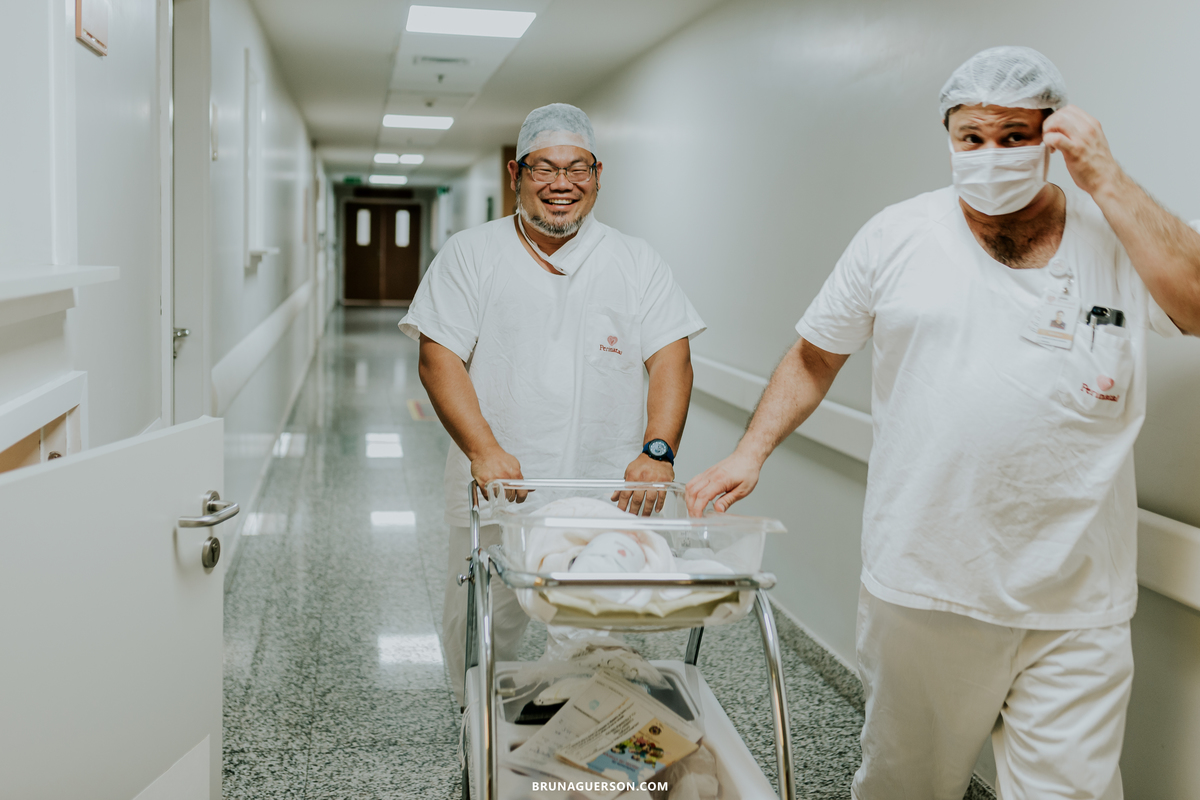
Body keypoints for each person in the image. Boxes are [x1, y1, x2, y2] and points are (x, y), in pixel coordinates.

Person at [686, 46, 1199, 800]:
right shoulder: (898, 235)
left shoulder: (1114, 230)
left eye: (1016, 136)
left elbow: (1194, 303)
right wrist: (749, 451)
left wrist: (1110, 181)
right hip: (928, 584)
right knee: (907, 785)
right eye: (972, 137)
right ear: (950, 137)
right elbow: (813, 355)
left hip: (1078, 595)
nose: (992, 155)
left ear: (1055, 135)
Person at [399, 103, 706, 705]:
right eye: (544, 168)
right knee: (486, 625)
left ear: (597, 174)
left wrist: (658, 450)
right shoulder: (472, 253)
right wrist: (483, 450)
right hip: (499, 488)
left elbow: (672, 358)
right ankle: (481, 732)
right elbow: (439, 358)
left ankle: (573, 750)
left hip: (601, 492)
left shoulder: (635, 260)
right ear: (517, 173)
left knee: (591, 632)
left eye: (577, 168)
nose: (561, 183)